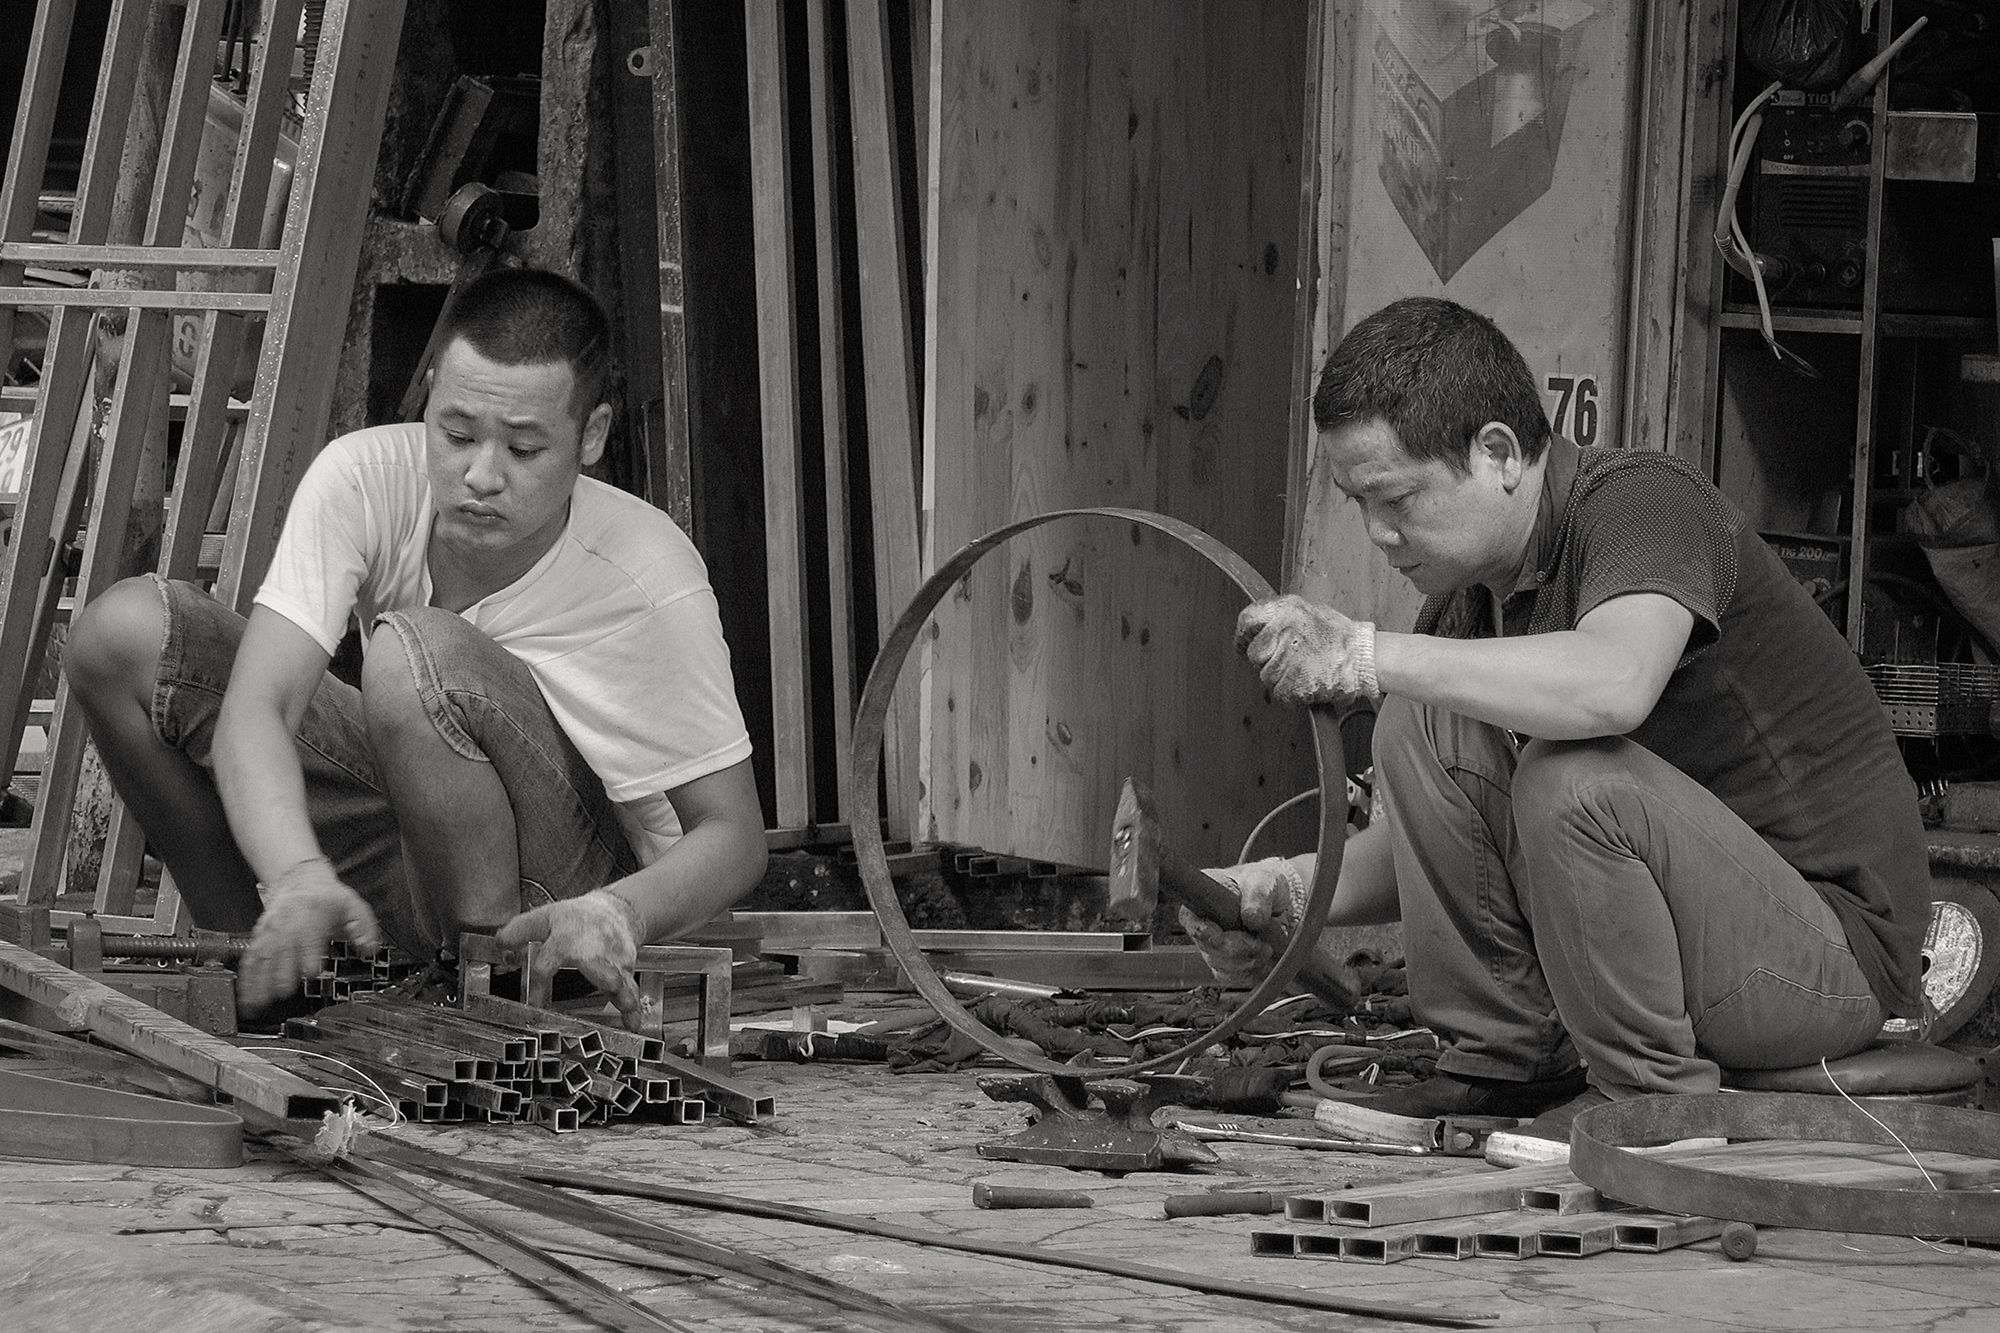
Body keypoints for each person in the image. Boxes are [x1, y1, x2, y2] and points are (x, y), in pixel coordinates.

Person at [1180, 296, 1929, 1141]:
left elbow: (1613, 684)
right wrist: (1278, 891)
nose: (1379, 534)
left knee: (1572, 774)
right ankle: (1504, 1068)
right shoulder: (1465, 602)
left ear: (1499, 452)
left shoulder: (1645, 505)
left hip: (1832, 964)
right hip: (1703, 955)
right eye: (1357, 502)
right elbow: (1445, 845)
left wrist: (1363, 654)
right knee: (1416, 725)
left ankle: (1652, 1103)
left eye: (1396, 498)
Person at [66, 268, 767, 1028]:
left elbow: (733, 838)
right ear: (429, 396)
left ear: (590, 436)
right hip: (416, 838)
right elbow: (258, 707)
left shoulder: (647, 573)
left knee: (411, 656)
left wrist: (618, 911)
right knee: (123, 634)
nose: (480, 475)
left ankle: (483, 998)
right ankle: (274, 969)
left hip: (568, 907)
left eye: (525, 449)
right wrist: (296, 874)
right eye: (457, 433)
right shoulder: (363, 480)